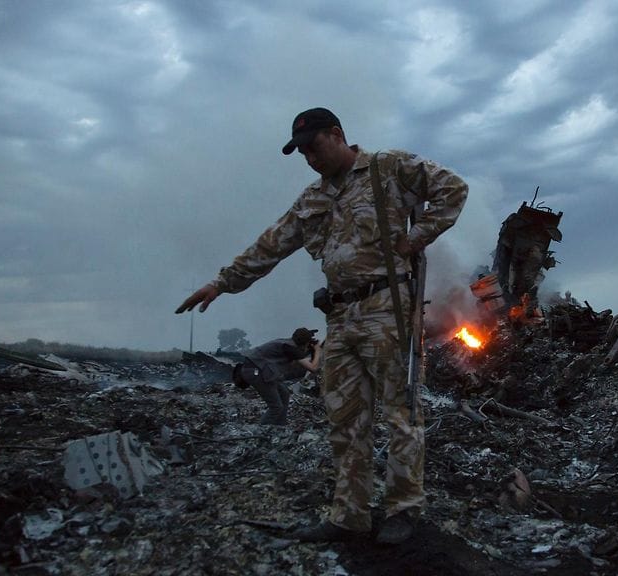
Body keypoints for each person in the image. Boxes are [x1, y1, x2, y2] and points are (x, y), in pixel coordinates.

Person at [176, 107, 468, 545]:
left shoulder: (388, 168)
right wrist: (222, 282)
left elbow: (453, 190)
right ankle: (349, 516)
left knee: (401, 413)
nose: (310, 159)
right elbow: (272, 243)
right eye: (303, 154)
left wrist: (418, 236)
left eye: (314, 148)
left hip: (388, 309)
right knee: (345, 419)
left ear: (337, 135)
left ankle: (404, 509)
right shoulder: (313, 199)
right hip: (340, 316)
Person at [232, 327, 322, 426]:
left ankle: (280, 426)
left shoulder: (287, 343)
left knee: (284, 394)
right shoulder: (291, 349)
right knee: (276, 407)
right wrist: (317, 350)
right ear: (305, 342)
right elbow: (313, 368)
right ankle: (262, 431)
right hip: (256, 372)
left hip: (260, 371)